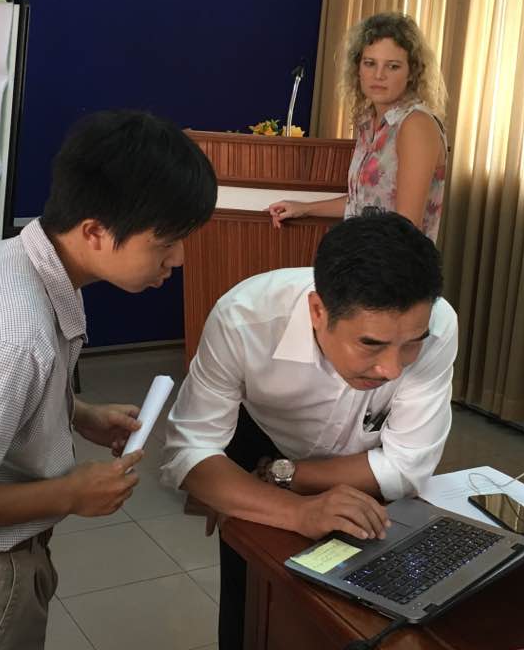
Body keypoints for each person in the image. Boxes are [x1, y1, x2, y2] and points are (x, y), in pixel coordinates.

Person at [0, 110, 217, 650]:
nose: (179, 258)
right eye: (166, 241)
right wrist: (71, 492)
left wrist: (77, 413)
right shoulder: (10, 335)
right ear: (95, 231)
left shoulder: (17, 259)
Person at [161, 210, 457, 648]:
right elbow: (189, 453)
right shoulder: (244, 320)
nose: (393, 369)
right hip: (262, 439)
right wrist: (294, 511)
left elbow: (406, 465)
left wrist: (285, 476)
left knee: (362, 611)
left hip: (349, 467)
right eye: (371, 344)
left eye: (411, 344)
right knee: (252, 605)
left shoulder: (437, 325)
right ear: (318, 311)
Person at [268, 12, 448, 242]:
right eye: (370, 63)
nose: (379, 75)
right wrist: (304, 208)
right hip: (358, 254)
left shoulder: (416, 124)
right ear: (358, 69)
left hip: (393, 261)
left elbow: (405, 226)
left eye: (393, 66)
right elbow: (363, 203)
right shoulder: (370, 122)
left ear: (412, 73)